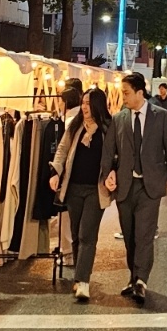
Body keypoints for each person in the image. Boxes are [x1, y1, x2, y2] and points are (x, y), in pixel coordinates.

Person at [101, 71, 167, 306]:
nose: (122, 96)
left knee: (144, 235)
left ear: (139, 92)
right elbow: (109, 150)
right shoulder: (119, 118)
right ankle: (133, 277)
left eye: (126, 93)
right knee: (130, 235)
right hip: (125, 185)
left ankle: (142, 280)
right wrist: (107, 174)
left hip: (149, 184)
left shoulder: (161, 116)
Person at [50, 87, 111, 304]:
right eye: (83, 103)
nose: (84, 107)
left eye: (88, 103)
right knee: (76, 234)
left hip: (96, 190)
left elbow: (116, 155)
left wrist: (113, 173)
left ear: (97, 105)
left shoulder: (107, 128)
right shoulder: (75, 127)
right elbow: (62, 150)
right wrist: (55, 171)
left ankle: (83, 280)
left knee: (87, 235)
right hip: (73, 187)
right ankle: (79, 276)